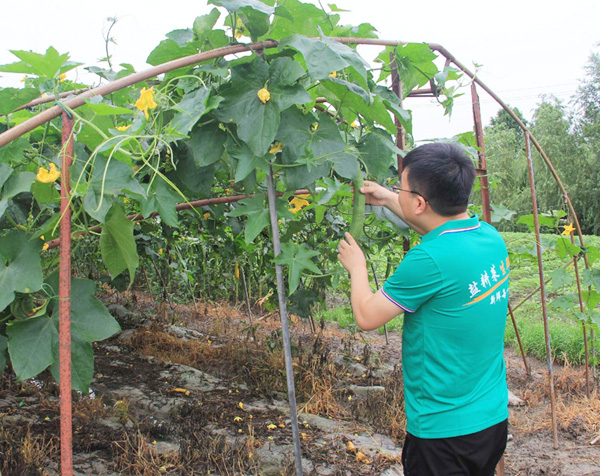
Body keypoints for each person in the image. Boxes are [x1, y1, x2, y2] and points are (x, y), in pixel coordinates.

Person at [337, 142, 509, 476]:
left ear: (418, 202)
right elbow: (436, 227)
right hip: (491, 418)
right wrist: (388, 198)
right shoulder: (489, 237)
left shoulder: (427, 260)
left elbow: (366, 316)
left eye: (400, 187)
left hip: (443, 434)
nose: (395, 191)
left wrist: (357, 267)